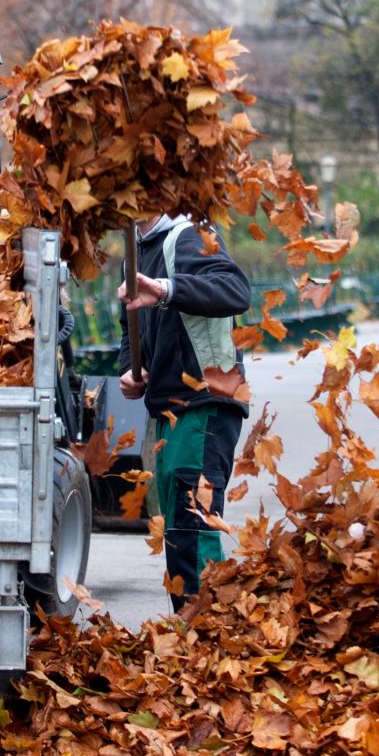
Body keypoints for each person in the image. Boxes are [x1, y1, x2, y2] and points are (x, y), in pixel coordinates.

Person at [117, 213, 251, 612]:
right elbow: (131, 329)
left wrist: (165, 289)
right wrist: (130, 368)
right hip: (169, 410)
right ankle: (194, 638)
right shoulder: (136, 253)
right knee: (179, 529)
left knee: (193, 528)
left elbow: (235, 290)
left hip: (204, 404)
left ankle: (207, 641)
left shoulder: (190, 232)